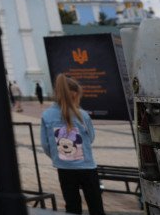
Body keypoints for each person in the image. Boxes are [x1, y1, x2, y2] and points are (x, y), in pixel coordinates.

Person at [40, 74, 105, 215]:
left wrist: (58, 157)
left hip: (64, 168)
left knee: (72, 207)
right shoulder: (82, 115)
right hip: (87, 166)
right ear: (75, 95)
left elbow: (45, 145)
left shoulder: (47, 115)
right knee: (96, 205)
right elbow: (91, 138)